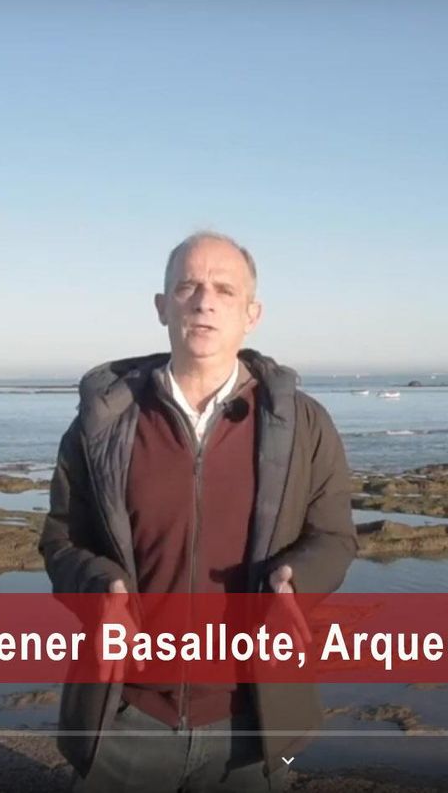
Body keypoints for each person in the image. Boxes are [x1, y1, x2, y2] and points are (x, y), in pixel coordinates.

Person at [40, 231, 357, 792]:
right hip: (125, 716)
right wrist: (101, 589)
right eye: (187, 286)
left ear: (251, 314)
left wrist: (295, 585)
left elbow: (333, 536)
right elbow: (62, 538)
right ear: (162, 307)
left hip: (253, 725)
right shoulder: (102, 423)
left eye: (224, 290)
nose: (204, 301)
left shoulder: (304, 424)